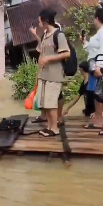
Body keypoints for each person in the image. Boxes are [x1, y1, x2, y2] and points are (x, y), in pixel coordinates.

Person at [30, 9, 70, 137]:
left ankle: (54, 128)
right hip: (43, 75)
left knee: (51, 103)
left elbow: (66, 53)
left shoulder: (58, 35)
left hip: (54, 75)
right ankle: (49, 126)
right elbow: (41, 51)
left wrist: (49, 59)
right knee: (45, 103)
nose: (39, 22)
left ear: (45, 20)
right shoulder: (45, 35)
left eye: (40, 20)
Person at [82, 7, 103, 135]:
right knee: (97, 94)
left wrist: (99, 67)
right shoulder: (100, 32)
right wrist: (85, 43)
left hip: (101, 67)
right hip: (95, 65)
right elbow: (93, 49)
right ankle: (98, 122)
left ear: (97, 18)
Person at [30, 19, 64, 124]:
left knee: (56, 97)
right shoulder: (46, 37)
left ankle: (57, 120)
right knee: (44, 96)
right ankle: (46, 118)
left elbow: (65, 55)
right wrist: (35, 35)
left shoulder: (58, 37)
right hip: (45, 71)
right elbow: (41, 47)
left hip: (54, 73)